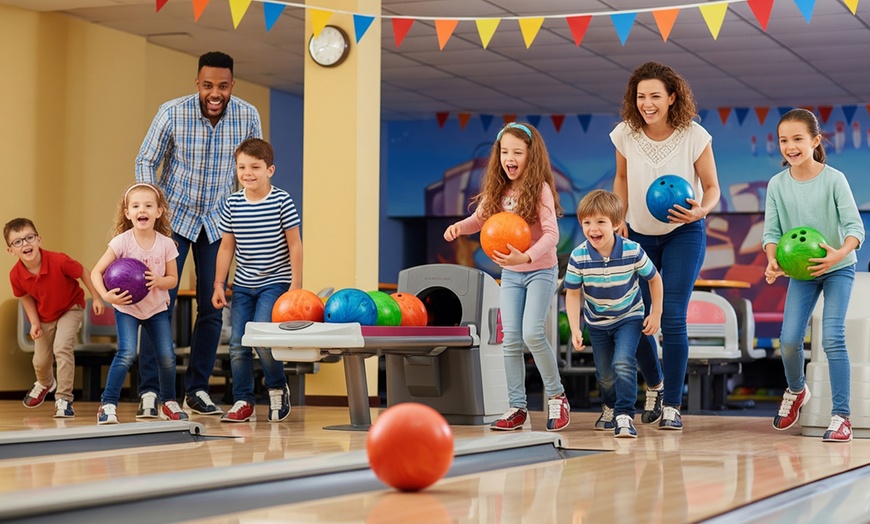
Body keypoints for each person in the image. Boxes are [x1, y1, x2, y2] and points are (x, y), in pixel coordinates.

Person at [135, 51, 263, 418]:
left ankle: (197, 389)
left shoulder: (247, 115)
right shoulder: (172, 112)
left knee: (211, 307)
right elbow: (146, 159)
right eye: (208, 85)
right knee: (159, 305)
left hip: (219, 222)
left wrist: (248, 211)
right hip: (173, 220)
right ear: (197, 83)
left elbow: (252, 169)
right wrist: (150, 205)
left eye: (222, 86)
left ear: (232, 85)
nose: (215, 93)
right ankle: (152, 391)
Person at [611, 61, 722, 430]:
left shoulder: (694, 134)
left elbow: (712, 187)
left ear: (672, 97)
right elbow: (622, 177)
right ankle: (655, 385)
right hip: (638, 235)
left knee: (672, 318)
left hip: (684, 234)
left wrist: (701, 212)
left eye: (655, 96)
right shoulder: (625, 134)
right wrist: (617, 220)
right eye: (641, 96)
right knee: (636, 320)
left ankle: (673, 405)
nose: (647, 103)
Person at [444, 121, 570, 432]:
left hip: (541, 270)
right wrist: (461, 226)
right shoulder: (497, 190)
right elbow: (480, 219)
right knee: (510, 339)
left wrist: (526, 256)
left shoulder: (539, 189)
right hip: (512, 275)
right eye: (504, 151)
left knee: (532, 333)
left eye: (517, 151)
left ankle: (557, 397)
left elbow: (552, 235)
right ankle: (517, 407)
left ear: (531, 155)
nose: (509, 158)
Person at [763, 108, 864, 442]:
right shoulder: (777, 184)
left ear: (815, 141)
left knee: (832, 337)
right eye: (783, 140)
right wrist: (773, 260)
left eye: (797, 139)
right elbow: (772, 233)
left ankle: (842, 417)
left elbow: (855, 229)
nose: (790, 146)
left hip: (838, 268)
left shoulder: (834, 179)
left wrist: (838, 253)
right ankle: (796, 391)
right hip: (801, 272)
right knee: (789, 340)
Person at [212, 138, 303, 423]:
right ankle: (243, 400)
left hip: (275, 282)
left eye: (255, 166)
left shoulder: (281, 200)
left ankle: (277, 389)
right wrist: (218, 283)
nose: (247, 172)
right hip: (242, 285)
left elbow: (295, 245)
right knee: (238, 343)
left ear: (270, 170)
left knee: (263, 340)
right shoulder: (232, 204)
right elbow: (227, 247)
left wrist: (296, 285)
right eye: (242, 167)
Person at [563, 190, 663, 438]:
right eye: (587, 222)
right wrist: (576, 328)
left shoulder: (632, 250)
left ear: (616, 224)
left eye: (600, 222)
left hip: (629, 317)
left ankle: (624, 414)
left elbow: (655, 279)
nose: (592, 228)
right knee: (605, 376)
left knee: (622, 362)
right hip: (597, 323)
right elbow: (573, 294)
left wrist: (656, 313)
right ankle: (609, 405)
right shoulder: (579, 256)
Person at [91, 183, 189, 425]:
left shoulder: (167, 244)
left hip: (156, 309)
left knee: (166, 356)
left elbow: (173, 279)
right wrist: (107, 296)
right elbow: (96, 272)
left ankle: (168, 402)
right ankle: (108, 404)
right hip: (127, 309)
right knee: (126, 353)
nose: (141, 210)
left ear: (159, 211)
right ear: (127, 213)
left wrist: (158, 280)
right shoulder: (121, 242)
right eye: (135, 206)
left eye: (148, 205)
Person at [6, 218, 105, 418]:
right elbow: (25, 297)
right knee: (40, 360)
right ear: (11, 250)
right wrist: (34, 322)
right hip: (45, 315)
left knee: (62, 347)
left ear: (39, 240)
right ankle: (45, 383)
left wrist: (96, 297)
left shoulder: (59, 260)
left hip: (71, 307)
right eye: (18, 242)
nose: (25, 244)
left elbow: (83, 272)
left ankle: (64, 399)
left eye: (29, 238)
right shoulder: (15, 275)